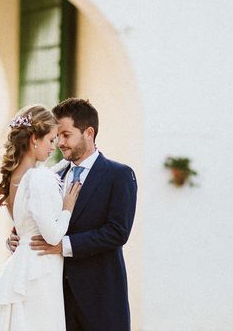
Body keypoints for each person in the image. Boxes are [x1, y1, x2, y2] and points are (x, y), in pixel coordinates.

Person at [12, 98, 138, 331]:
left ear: (88, 133)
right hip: (56, 300)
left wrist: (64, 245)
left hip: (101, 300)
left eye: (66, 135)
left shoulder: (119, 175)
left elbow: (117, 232)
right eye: (56, 136)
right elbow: (37, 221)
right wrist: (17, 238)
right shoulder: (52, 176)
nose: (59, 142)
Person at [0, 104, 81, 331]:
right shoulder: (38, 177)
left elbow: (23, 228)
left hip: (22, 265)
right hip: (41, 270)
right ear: (35, 138)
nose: (54, 147)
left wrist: (11, 239)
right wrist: (67, 208)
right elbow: (53, 236)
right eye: (51, 140)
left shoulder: (15, 178)